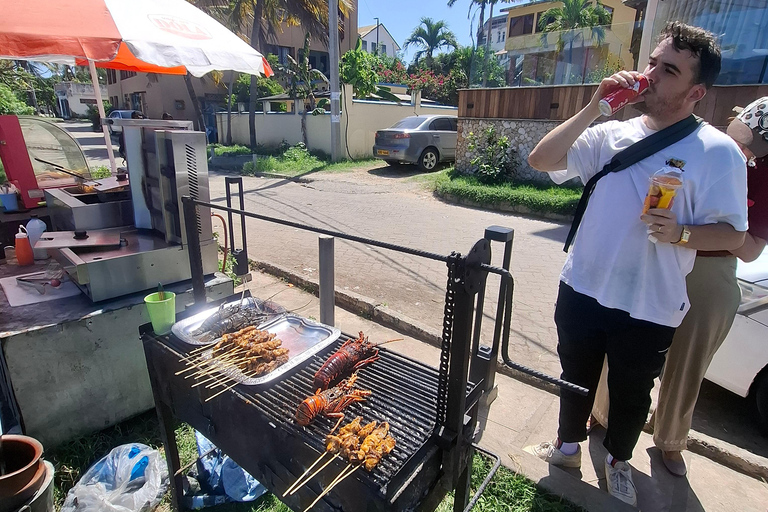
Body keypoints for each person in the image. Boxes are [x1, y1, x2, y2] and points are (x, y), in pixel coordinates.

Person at [526, 22, 748, 506]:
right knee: (574, 376)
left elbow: (735, 234)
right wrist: (594, 104)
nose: (648, 75)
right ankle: (566, 447)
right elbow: (542, 160)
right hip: (582, 286)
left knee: (631, 395)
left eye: (667, 70)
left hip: (651, 303)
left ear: (696, 91)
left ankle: (618, 462)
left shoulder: (718, 152)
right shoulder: (611, 133)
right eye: (651, 62)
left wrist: (682, 233)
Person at [590, 97, 768, 477]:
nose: (742, 151)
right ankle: (602, 414)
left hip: (708, 269)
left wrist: (690, 232)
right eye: (739, 136)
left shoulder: (764, 179)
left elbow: (750, 248)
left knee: (687, 363)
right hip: (655, 254)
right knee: (623, 343)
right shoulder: (705, 147)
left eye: (752, 148)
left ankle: (670, 440)